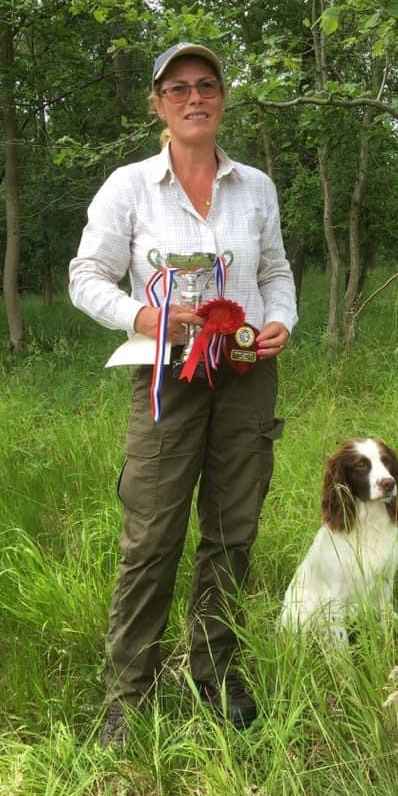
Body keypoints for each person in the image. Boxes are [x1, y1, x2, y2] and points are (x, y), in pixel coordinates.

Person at [69, 42, 298, 745]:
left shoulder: (255, 186)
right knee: (151, 535)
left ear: (223, 96)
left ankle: (216, 671)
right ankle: (128, 695)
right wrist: (143, 316)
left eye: (206, 85)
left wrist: (281, 320)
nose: (194, 98)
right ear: (159, 104)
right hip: (167, 377)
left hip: (245, 377)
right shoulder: (130, 186)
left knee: (233, 531)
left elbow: (278, 273)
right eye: (178, 89)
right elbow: (85, 277)